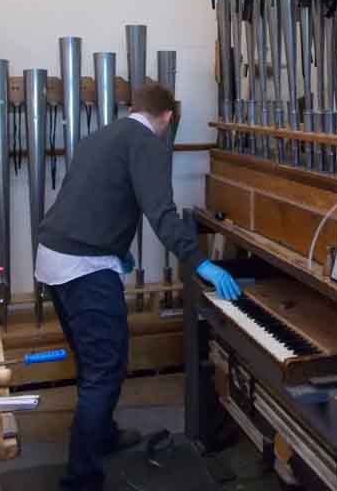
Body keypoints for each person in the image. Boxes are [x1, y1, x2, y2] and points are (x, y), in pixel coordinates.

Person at [35, 82, 240, 491]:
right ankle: (80, 480)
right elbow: (162, 213)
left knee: (93, 365)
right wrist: (200, 262)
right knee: (105, 371)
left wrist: (116, 250)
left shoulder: (102, 136)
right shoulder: (147, 142)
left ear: (134, 108)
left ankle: (103, 437)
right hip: (84, 268)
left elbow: (91, 199)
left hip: (53, 257)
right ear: (167, 118)